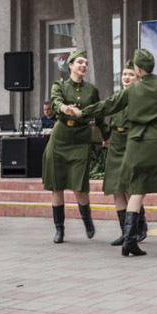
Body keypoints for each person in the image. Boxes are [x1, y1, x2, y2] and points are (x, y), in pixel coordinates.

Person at [75, 49, 157, 257]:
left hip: (135, 144)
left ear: (138, 69)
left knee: (136, 192)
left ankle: (129, 242)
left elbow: (107, 106)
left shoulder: (131, 91)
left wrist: (82, 112)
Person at [41, 49, 108, 243]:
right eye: (79, 62)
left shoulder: (91, 90)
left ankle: (87, 221)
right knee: (57, 186)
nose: (83, 65)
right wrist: (64, 108)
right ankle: (59, 229)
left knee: (80, 187)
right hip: (60, 138)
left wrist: (106, 136)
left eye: (85, 63)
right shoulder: (59, 85)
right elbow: (55, 102)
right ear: (70, 65)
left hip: (80, 138)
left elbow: (100, 114)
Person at [104, 61, 138, 246]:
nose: (126, 77)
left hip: (131, 141)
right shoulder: (116, 97)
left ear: (138, 77)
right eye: (124, 74)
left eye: (131, 74)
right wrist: (106, 136)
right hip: (116, 142)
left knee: (131, 189)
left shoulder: (139, 97)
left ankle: (138, 227)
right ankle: (125, 232)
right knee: (116, 188)